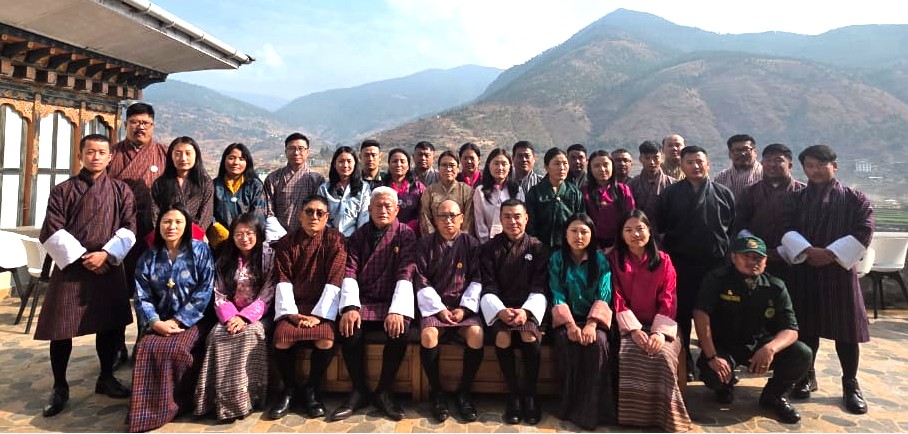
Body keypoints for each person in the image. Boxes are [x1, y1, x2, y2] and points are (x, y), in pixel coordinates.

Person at [36, 134, 136, 417]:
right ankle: (60, 386)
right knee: (61, 328)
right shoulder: (63, 190)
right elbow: (52, 228)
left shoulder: (121, 190)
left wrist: (106, 254)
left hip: (108, 264)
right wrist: (84, 257)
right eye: (90, 151)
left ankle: (106, 376)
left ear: (110, 156)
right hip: (72, 267)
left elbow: (130, 227)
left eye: (102, 152)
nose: (96, 157)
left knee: (109, 325)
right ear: (80, 155)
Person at [780, 145, 873, 414]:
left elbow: (865, 229)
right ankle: (807, 376)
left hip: (839, 273)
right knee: (807, 328)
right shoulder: (796, 198)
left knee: (847, 333)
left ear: (835, 165)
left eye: (821, 165)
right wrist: (809, 251)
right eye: (810, 166)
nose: (816, 170)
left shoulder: (855, 199)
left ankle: (850, 384)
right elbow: (785, 227)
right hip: (806, 269)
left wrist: (831, 253)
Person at [694, 236, 811, 424]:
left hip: (760, 346)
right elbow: (701, 314)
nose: (752, 262)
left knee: (802, 353)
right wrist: (712, 356)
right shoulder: (717, 279)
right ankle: (725, 386)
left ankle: (774, 396)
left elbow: (791, 329)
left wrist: (770, 348)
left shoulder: (775, 287)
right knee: (712, 375)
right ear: (733, 257)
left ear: (765, 261)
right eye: (746, 256)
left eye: (758, 258)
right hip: (725, 345)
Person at [329, 187, 418, 422]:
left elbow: (406, 271)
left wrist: (397, 310)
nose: (383, 210)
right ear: (369, 209)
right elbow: (350, 270)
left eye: (388, 206)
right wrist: (350, 307)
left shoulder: (406, 234)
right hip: (365, 300)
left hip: (391, 300)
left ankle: (383, 391)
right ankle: (358, 390)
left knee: (401, 330)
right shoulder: (359, 236)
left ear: (397, 210)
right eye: (378, 205)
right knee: (349, 329)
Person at [128, 205, 215, 433]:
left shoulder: (200, 251)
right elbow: (142, 295)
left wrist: (178, 321)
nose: (172, 227)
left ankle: (178, 402)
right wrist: (155, 322)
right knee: (147, 347)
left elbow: (205, 290)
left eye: (178, 222)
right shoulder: (149, 256)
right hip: (160, 320)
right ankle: (145, 411)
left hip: (193, 319)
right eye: (166, 222)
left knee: (175, 349)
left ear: (187, 226)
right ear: (159, 226)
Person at [657, 145, 734, 379]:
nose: (695, 166)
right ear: (682, 166)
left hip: (715, 266)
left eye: (700, 161)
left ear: (708, 164)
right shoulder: (670, 194)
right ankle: (685, 361)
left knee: (716, 314)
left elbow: (731, 228)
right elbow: (660, 229)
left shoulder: (723, 194)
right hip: (681, 265)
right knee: (681, 314)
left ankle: (712, 360)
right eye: (689, 162)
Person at [609, 210, 690, 432]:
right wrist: (633, 330)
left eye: (640, 228)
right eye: (628, 230)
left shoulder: (664, 260)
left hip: (661, 324)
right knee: (629, 353)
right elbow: (616, 296)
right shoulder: (614, 260)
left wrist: (659, 333)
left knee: (662, 354)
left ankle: (664, 416)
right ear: (621, 235)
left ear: (649, 230)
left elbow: (669, 297)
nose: (635, 234)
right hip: (628, 325)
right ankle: (632, 416)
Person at [267, 195, 347, 420]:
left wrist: (318, 317)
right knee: (282, 339)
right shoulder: (287, 243)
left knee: (325, 339)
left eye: (320, 213)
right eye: (309, 211)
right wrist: (292, 315)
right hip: (294, 306)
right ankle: (289, 389)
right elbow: (282, 280)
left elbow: (335, 279)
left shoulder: (335, 241)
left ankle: (312, 389)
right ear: (300, 215)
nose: (314, 216)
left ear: (327, 217)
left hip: (322, 307)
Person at [195, 213, 275, 421]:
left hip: (260, 315)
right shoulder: (225, 259)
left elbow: (268, 292)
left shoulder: (268, 256)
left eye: (249, 233)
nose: (244, 238)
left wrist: (246, 318)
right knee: (217, 335)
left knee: (249, 335)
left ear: (258, 234)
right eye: (239, 234)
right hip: (229, 316)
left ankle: (245, 399)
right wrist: (230, 317)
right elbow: (219, 292)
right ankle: (219, 400)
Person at [107, 101, 167, 369]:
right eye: (134, 122)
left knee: (152, 290)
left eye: (145, 123)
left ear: (153, 125)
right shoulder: (112, 154)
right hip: (119, 231)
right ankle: (116, 345)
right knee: (118, 291)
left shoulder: (164, 153)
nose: (140, 127)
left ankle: (145, 342)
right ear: (125, 124)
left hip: (154, 232)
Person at [479, 199, 548, 425]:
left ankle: (531, 394)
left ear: (526, 218)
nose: (512, 221)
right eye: (507, 216)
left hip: (528, 307)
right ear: (500, 219)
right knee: (502, 336)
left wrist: (526, 311)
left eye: (517, 216)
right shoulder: (489, 248)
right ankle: (513, 394)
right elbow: (488, 284)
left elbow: (540, 285)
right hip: (502, 307)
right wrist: (499, 310)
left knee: (528, 335)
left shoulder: (537, 247)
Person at [415, 200, 484, 423]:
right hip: (436, 307)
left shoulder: (471, 244)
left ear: (462, 218)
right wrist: (440, 309)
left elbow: (477, 278)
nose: (448, 220)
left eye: (453, 215)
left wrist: (464, 309)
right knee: (428, 335)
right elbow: (421, 279)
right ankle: (437, 393)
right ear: (435, 220)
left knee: (476, 334)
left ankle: (464, 392)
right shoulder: (425, 244)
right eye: (442, 216)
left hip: (464, 307)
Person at [549, 213, 615, 430]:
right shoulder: (557, 259)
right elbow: (556, 293)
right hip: (567, 319)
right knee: (566, 343)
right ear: (565, 234)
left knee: (599, 343)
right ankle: (569, 406)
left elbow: (604, 294)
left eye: (584, 232)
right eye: (574, 231)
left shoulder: (600, 260)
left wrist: (592, 324)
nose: (579, 236)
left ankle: (593, 409)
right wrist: (570, 325)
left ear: (592, 235)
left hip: (593, 320)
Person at [732, 143, 805, 279]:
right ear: (761, 163)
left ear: (790, 165)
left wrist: (781, 251)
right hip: (755, 259)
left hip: (793, 260)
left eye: (778, 160)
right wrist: (757, 249)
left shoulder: (803, 192)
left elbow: (807, 227)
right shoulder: (750, 191)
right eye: (768, 160)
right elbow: (740, 225)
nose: (772, 164)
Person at [263, 132, 326, 237]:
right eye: (292, 148)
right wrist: (278, 232)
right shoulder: (273, 178)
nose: (296, 153)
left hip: (308, 235)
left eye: (301, 149)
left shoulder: (317, 179)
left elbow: (320, 210)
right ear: (285, 151)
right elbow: (269, 210)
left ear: (308, 152)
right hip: (279, 235)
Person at [150, 136, 214, 234]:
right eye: (178, 154)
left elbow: (206, 216)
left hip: (195, 236)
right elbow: (155, 215)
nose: (183, 158)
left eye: (188, 153)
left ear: (196, 155)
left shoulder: (204, 183)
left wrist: (190, 236)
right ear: (171, 156)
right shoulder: (160, 184)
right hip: (167, 235)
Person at [208, 143, 267, 249]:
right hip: (222, 244)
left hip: (247, 242)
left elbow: (258, 214)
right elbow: (208, 214)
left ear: (247, 162)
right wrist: (224, 234)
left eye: (241, 159)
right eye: (231, 158)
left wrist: (242, 235)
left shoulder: (254, 185)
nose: (236, 162)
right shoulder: (214, 185)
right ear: (224, 160)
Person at [525, 147, 584, 249]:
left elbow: (581, 221)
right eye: (557, 164)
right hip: (539, 248)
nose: (562, 168)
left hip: (567, 248)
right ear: (546, 167)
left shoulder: (575, 193)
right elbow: (530, 224)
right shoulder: (535, 192)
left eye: (565, 163)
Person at [583, 150, 635, 250]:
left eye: (606, 165)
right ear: (590, 169)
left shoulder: (623, 190)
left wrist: (616, 246)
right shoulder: (584, 192)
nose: (602, 169)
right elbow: (582, 222)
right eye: (597, 166)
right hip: (591, 246)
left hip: (621, 244)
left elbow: (630, 219)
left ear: (612, 166)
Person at [473, 148, 525, 243]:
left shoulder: (517, 190)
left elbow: (521, 218)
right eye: (496, 163)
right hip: (488, 244)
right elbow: (479, 222)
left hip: (513, 242)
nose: (500, 168)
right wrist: (486, 244)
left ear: (510, 167)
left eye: (504, 164)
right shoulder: (480, 191)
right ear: (489, 165)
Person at [318, 146, 371, 237]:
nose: (345, 165)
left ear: (355, 164)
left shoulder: (364, 188)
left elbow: (364, 216)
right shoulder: (324, 189)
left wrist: (358, 238)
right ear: (334, 164)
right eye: (341, 161)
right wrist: (332, 236)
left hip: (355, 238)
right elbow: (321, 216)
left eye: (349, 161)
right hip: (329, 238)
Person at [419, 151, 474, 236]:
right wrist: (434, 240)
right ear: (438, 168)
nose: (448, 169)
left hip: (461, 240)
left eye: (452, 165)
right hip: (435, 240)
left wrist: (460, 240)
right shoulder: (429, 192)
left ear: (458, 168)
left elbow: (468, 221)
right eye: (444, 165)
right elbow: (425, 219)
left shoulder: (466, 191)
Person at [627, 140, 676, 230]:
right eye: (647, 158)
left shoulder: (673, 184)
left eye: (655, 158)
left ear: (662, 158)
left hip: (666, 232)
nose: (652, 162)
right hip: (640, 231)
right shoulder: (632, 184)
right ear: (640, 159)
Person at [383, 148, 426, 233]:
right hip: (385, 233)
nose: (398, 164)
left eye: (402, 161)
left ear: (408, 166)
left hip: (412, 233)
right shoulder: (382, 187)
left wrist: (412, 226)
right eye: (395, 161)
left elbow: (425, 213)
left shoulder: (418, 187)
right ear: (389, 165)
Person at [714, 134, 763, 199]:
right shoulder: (721, 178)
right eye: (737, 150)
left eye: (746, 149)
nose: (742, 153)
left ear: (755, 152)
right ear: (730, 154)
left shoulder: (765, 174)